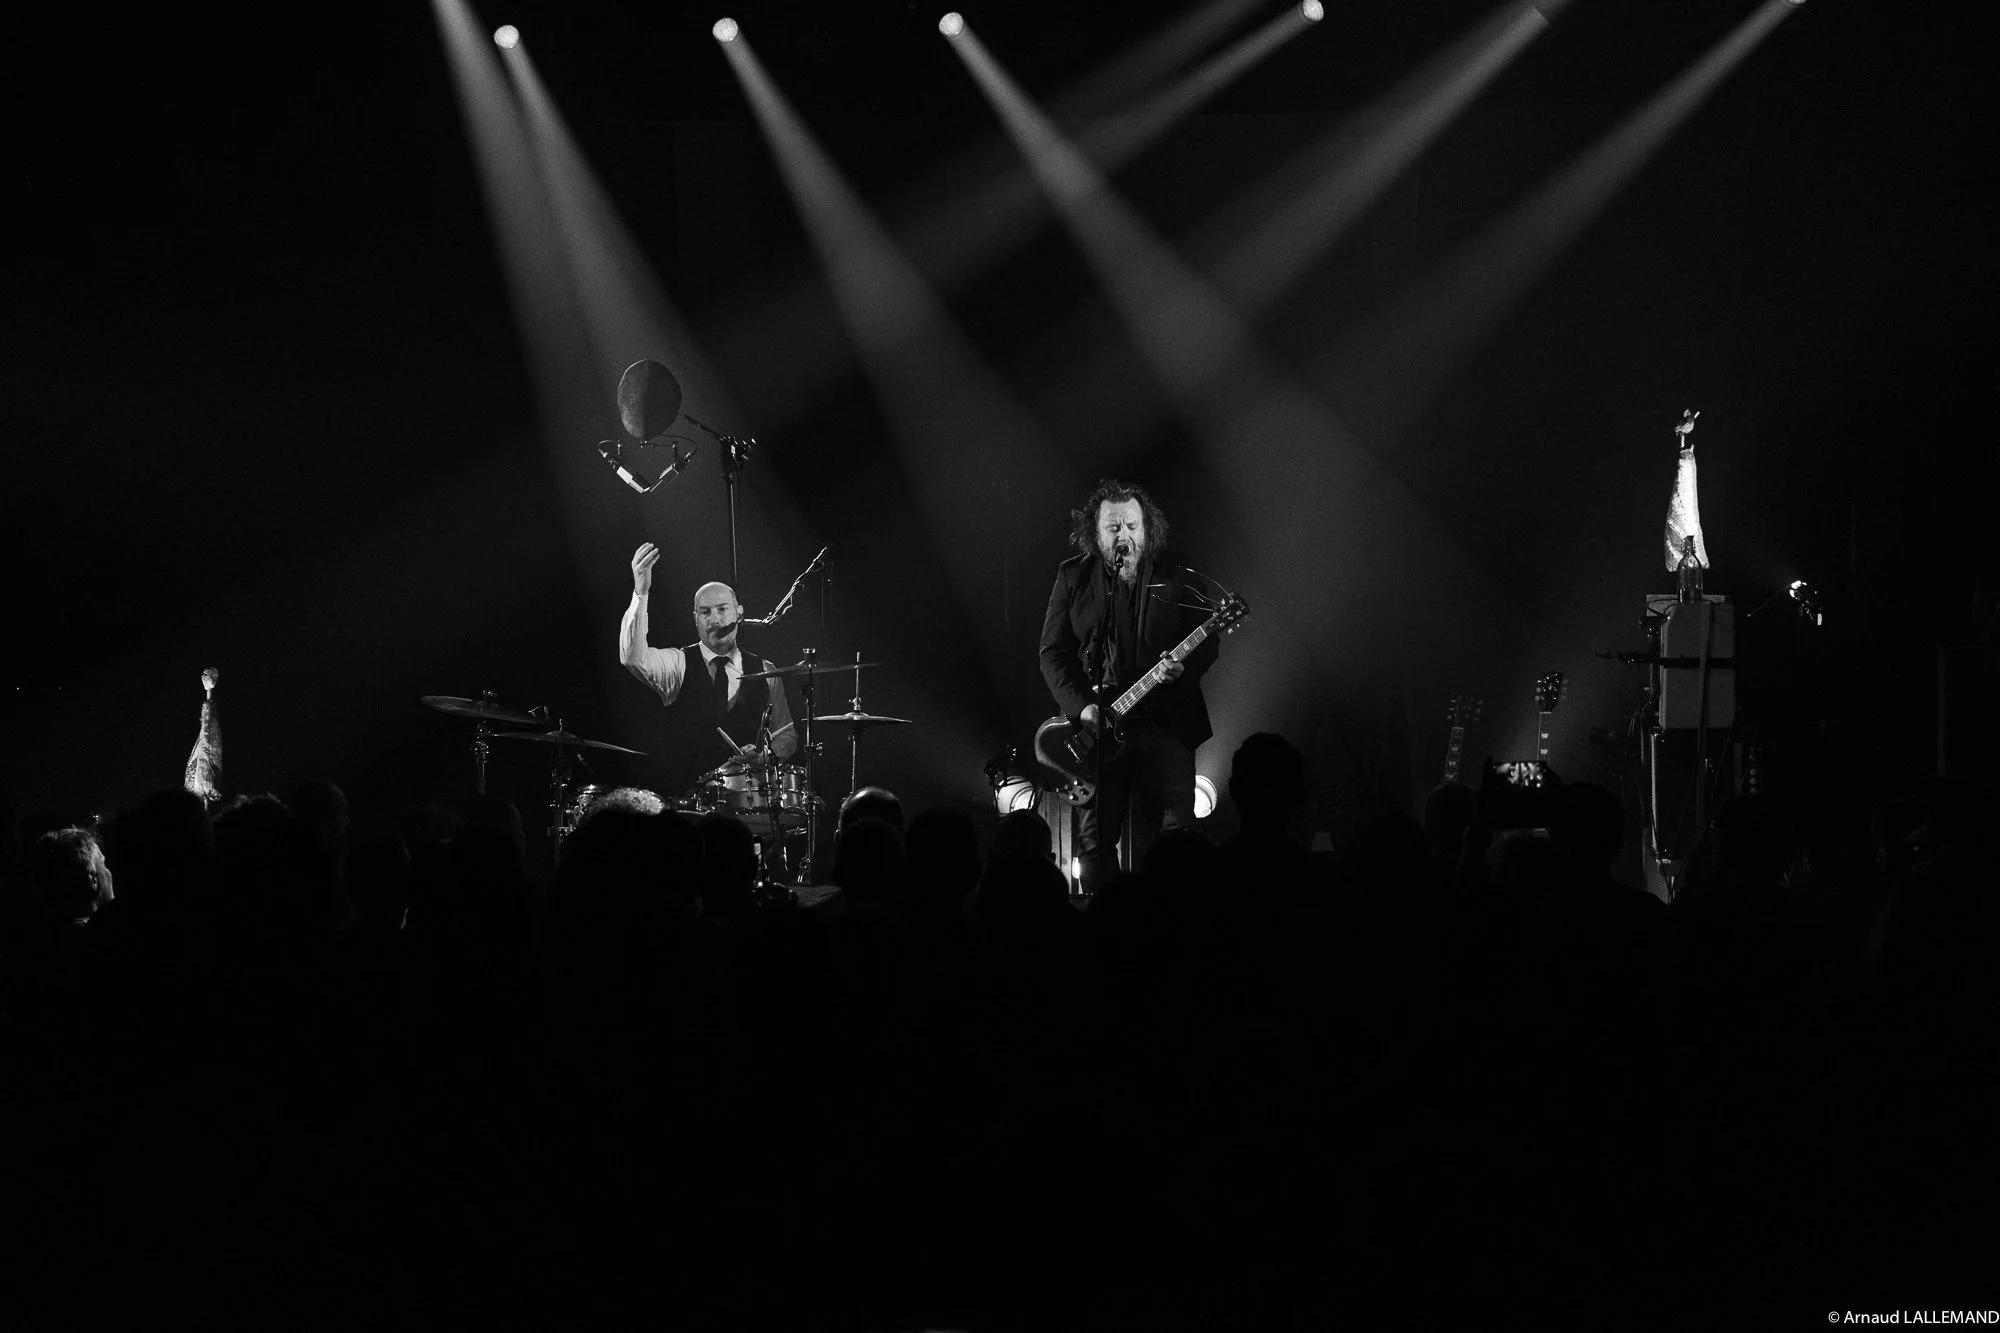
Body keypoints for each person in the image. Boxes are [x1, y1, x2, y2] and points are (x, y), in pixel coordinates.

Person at [1039, 479, 1222, 896]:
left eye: (1132, 526)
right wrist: (1081, 707)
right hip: (1100, 730)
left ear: (1147, 527)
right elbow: (1052, 652)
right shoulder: (1073, 577)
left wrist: (1183, 669)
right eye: (1113, 528)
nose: (1124, 536)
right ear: (1095, 533)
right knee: (1093, 845)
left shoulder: (1177, 572)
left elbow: (1208, 641)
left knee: (1177, 840)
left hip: (1167, 725)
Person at [619, 542, 799, 781]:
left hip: (747, 797)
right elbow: (632, 657)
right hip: (690, 796)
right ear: (695, 619)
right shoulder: (678, 664)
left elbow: (786, 734)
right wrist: (641, 592)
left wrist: (766, 754)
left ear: (739, 613)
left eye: (722, 609)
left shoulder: (767, 671)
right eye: (705, 612)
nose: (715, 619)